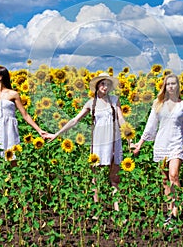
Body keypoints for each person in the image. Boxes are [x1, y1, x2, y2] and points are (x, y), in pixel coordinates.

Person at [45, 72, 126, 211]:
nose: (105, 87)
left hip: (114, 139)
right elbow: (75, 120)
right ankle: (97, 208)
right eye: (102, 83)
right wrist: (57, 134)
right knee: (95, 175)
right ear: (97, 86)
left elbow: (121, 120)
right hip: (99, 141)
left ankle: (117, 209)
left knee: (114, 177)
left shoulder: (114, 100)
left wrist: (129, 138)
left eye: (107, 84)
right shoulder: (91, 103)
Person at [132, 73, 183, 227]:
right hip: (161, 143)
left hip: (177, 144)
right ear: (165, 86)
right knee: (165, 180)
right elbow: (151, 125)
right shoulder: (158, 104)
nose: (171, 86)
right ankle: (169, 213)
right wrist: (140, 143)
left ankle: (176, 213)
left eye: (173, 83)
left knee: (174, 176)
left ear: (178, 86)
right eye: (168, 84)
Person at [0, 66, 47, 164]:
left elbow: (25, 115)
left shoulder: (13, 94)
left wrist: (39, 130)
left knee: (12, 160)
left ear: (0, 77)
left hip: (9, 129)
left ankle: (11, 179)